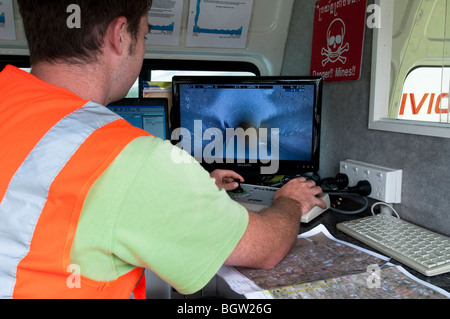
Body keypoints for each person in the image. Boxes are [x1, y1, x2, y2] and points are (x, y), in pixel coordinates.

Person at [0, 0, 326, 299]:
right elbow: (264, 248)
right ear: (119, 37)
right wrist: (290, 202)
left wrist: (191, 189)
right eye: (143, 35)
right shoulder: (129, 158)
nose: (142, 47)